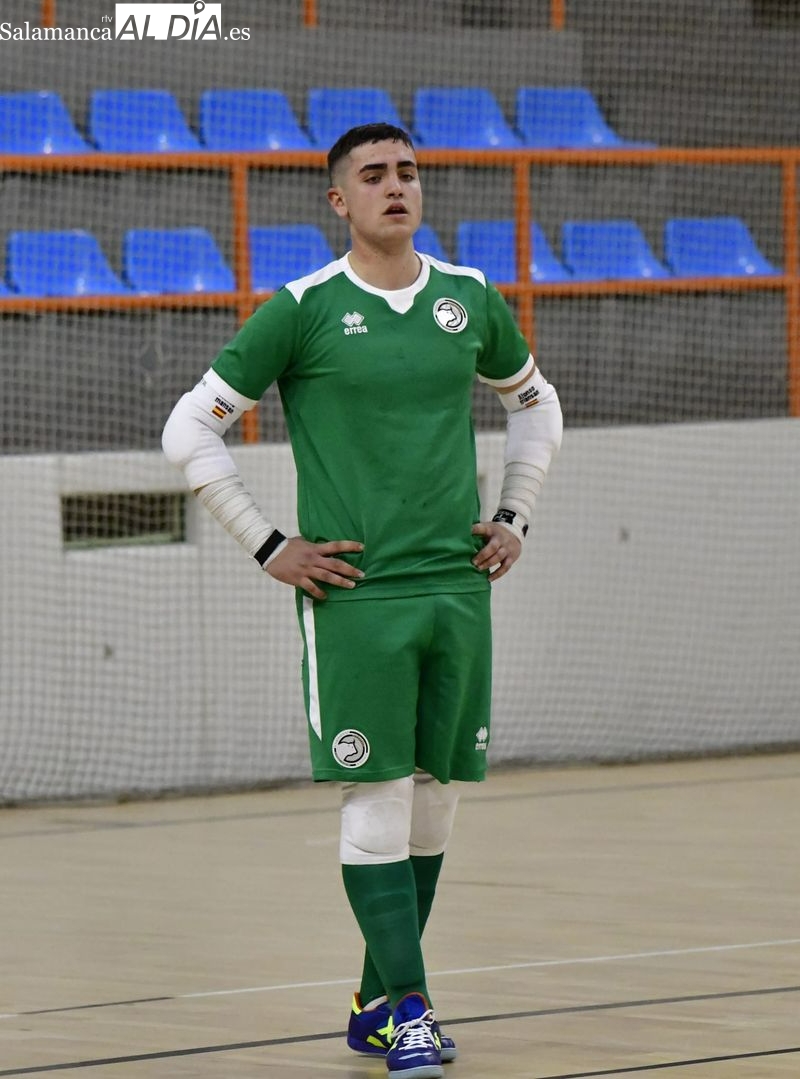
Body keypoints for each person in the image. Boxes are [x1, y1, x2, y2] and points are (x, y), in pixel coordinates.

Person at [162, 122, 562, 1079]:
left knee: (434, 806)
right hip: (357, 598)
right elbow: (189, 430)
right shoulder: (302, 309)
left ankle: (375, 1005)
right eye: (374, 175)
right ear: (339, 200)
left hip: (457, 589)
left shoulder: (468, 298)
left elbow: (536, 403)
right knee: (377, 799)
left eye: (408, 172)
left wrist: (515, 514)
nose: (396, 186)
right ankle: (412, 1009)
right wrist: (269, 545)